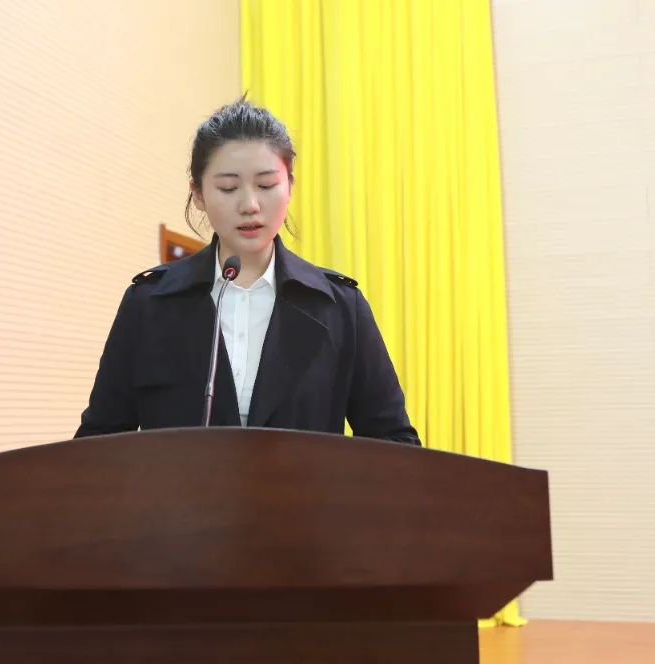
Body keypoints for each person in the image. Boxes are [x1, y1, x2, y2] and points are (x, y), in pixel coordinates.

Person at [75, 99, 419, 445]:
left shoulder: (340, 308)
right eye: (228, 188)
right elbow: (98, 443)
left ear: (290, 187)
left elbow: (394, 443)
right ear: (198, 194)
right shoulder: (149, 304)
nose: (250, 205)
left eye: (266, 185)